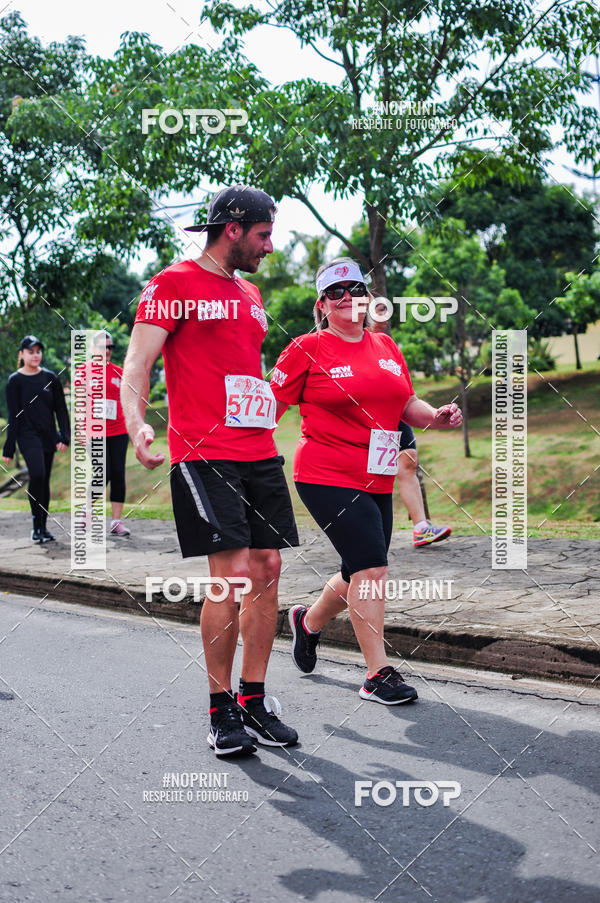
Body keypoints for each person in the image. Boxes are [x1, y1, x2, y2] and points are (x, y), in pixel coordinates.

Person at [122, 185, 300, 757]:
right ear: (233, 228)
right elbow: (137, 362)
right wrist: (136, 423)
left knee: (268, 566)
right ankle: (219, 708)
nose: (269, 246)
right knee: (231, 573)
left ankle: (253, 699)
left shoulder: (249, 292)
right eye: (263, 235)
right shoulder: (172, 285)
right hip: (205, 451)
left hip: (259, 450)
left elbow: (244, 368)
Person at [270, 258, 462, 703]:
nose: (348, 298)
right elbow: (269, 409)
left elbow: (405, 401)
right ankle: (378, 673)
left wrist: (434, 415)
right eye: (336, 292)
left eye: (356, 289)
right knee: (373, 568)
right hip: (325, 473)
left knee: (357, 568)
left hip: (376, 475)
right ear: (322, 305)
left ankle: (307, 622)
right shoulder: (306, 348)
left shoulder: (386, 347)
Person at [370, 301, 451, 547]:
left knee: (408, 461)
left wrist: (434, 414)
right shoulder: (351, 345)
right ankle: (364, 531)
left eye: (385, 310)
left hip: (395, 413)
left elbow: (407, 393)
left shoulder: (387, 345)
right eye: (378, 310)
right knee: (375, 474)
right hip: (368, 417)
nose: (383, 315)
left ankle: (421, 527)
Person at [2, 335, 70, 542]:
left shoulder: (51, 378)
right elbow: (14, 415)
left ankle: (43, 527)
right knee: (38, 475)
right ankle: (35, 525)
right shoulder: (15, 381)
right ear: (22, 354)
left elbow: (61, 409)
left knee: (44, 481)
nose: (35, 355)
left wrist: (64, 436)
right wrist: (9, 446)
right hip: (26, 435)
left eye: (38, 351)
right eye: (30, 352)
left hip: (48, 435)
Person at [75, 330, 131, 536]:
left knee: (118, 474)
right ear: (93, 349)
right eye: (102, 347)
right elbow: (80, 403)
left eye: (110, 347)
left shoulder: (119, 372)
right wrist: (80, 427)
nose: (107, 351)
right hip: (94, 431)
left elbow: (127, 401)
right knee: (103, 472)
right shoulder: (83, 371)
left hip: (118, 430)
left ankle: (116, 522)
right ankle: (86, 511)